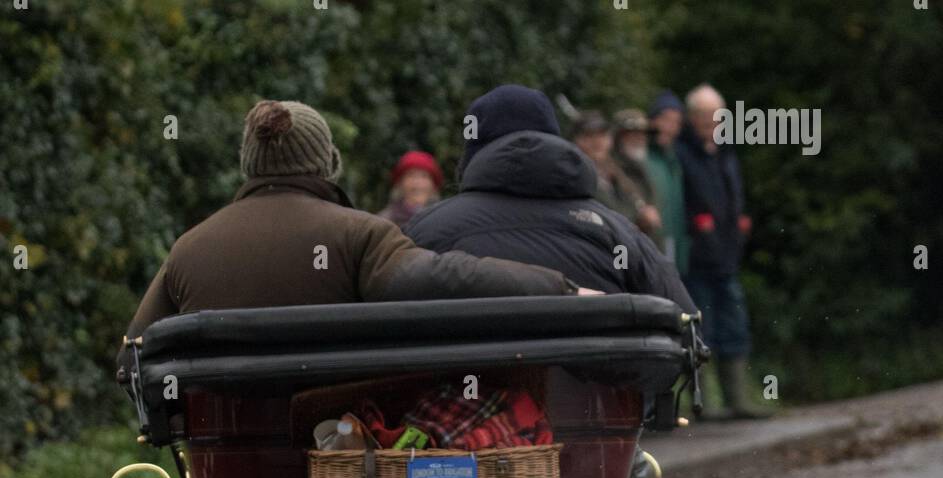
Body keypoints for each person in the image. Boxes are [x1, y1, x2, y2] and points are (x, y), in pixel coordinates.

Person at [119, 99, 594, 369]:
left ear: (249, 164)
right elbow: (450, 278)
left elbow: (131, 361)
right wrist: (561, 289)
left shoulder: (190, 248)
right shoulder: (359, 235)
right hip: (339, 458)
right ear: (327, 164)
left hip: (223, 469)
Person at [406, 84, 695, 310]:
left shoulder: (427, 231)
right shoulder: (617, 232)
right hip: (595, 385)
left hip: (467, 384)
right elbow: (683, 321)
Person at [676, 83, 769, 419]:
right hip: (697, 258)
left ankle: (738, 400)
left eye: (716, 115)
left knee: (734, 324)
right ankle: (703, 405)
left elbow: (735, 193)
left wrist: (739, 223)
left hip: (727, 255)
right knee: (701, 329)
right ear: (691, 117)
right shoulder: (681, 153)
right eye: (703, 114)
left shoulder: (726, 150)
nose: (710, 121)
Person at [645, 92, 690, 273]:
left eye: (676, 122)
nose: (669, 127)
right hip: (650, 243)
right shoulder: (642, 157)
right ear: (652, 121)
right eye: (665, 119)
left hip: (673, 243)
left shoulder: (673, 160)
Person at [612, 108, 662, 244]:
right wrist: (639, 219)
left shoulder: (644, 169)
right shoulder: (608, 172)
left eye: (643, 133)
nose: (640, 138)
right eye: (632, 133)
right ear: (618, 137)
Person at [378, 150, 444, 229]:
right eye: (411, 175)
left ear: (433, 185)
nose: (417, 182)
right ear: (400, 183)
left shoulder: (445, 219)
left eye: (424, 176)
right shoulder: (384, 221)